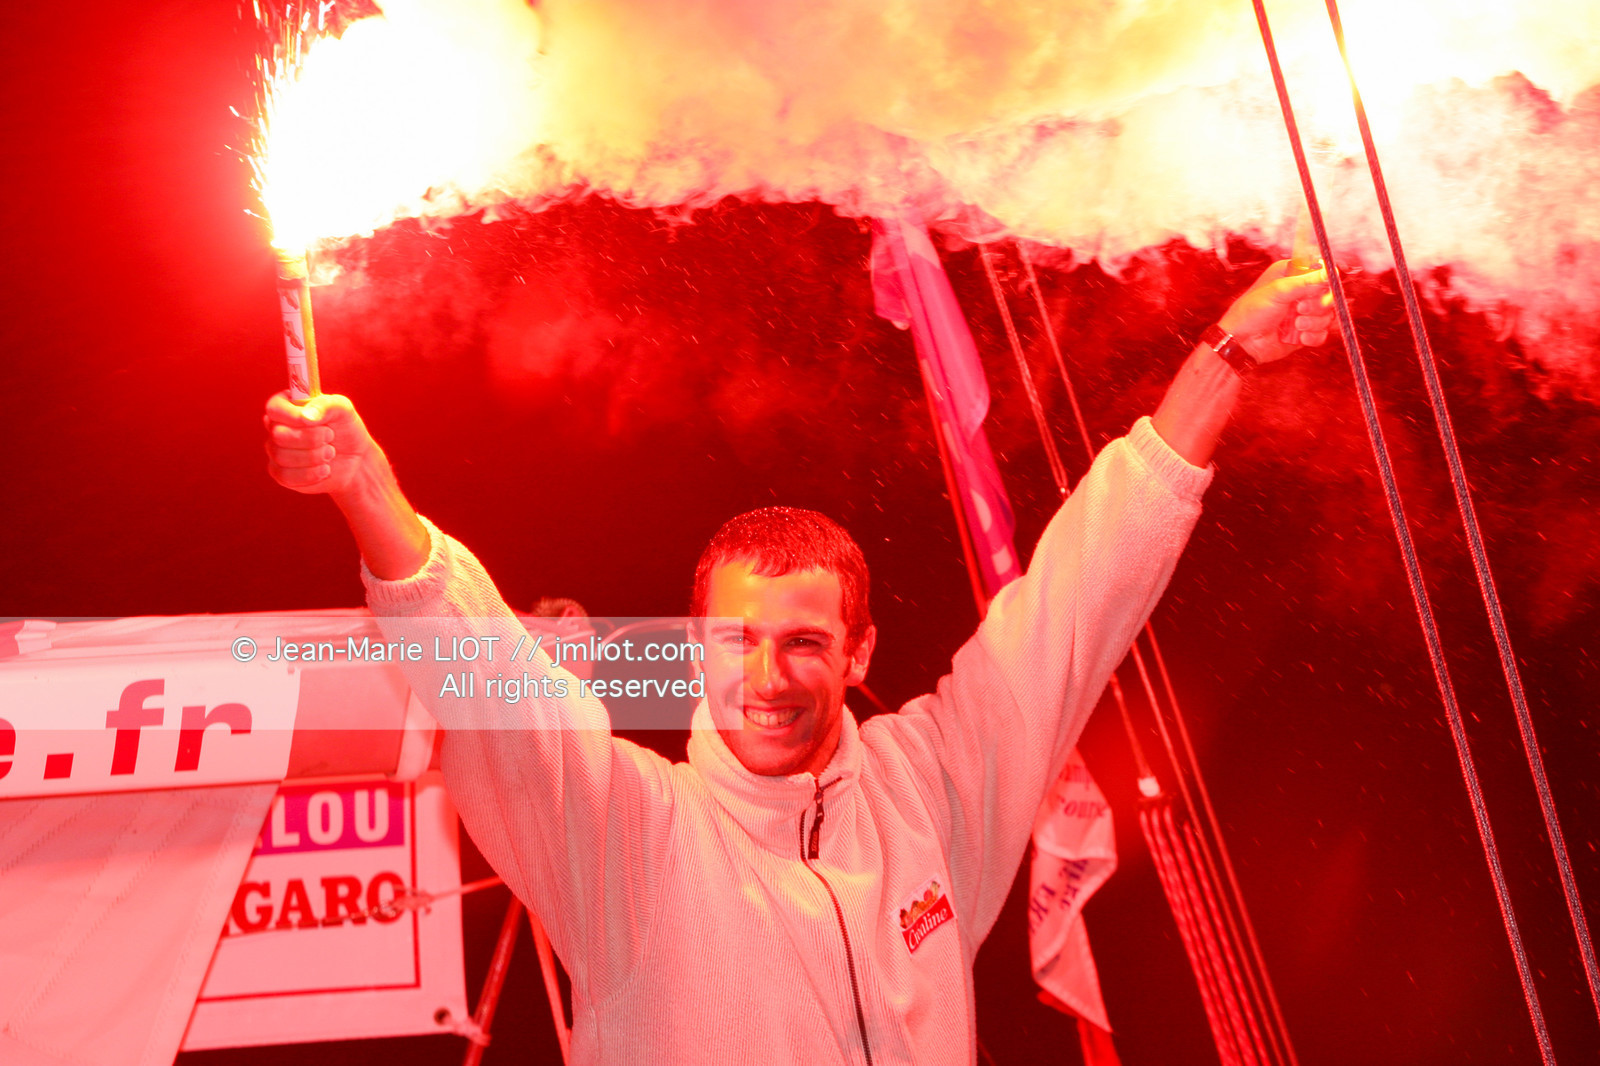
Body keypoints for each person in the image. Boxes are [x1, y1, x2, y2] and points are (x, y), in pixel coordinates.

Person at [263, 261, 1330, 1065]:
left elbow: (1078, 601)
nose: (766, 676)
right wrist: (368, 493)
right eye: (736, 640)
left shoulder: (933, 791)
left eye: (805, 642)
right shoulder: (626, 838)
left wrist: (1225, 360)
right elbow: (485, 674)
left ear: (858, 650)